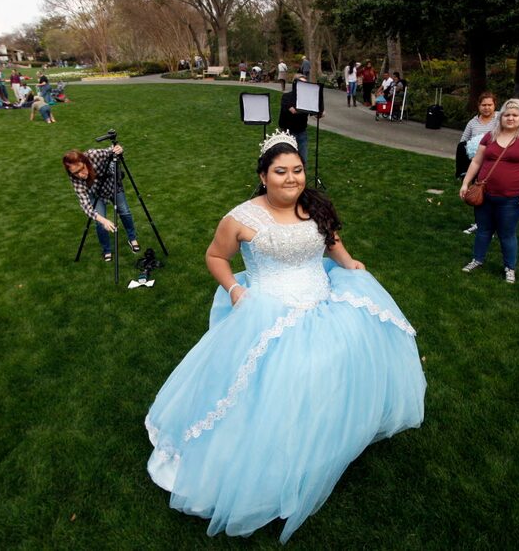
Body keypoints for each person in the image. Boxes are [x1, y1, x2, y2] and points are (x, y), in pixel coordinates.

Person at [145, 130, 426, 543]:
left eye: (297, 170)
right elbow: (214, 256)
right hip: (269, 313)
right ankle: (273, 460)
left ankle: (324, 443)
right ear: (263, 175)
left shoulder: (313, 207)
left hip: (324, 302)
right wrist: (236, 289)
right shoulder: (240, 217)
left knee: (331, 374)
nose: (291, 179)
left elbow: (330, 242)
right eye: (281, 171)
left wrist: (350, 265)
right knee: (274, 387)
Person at [459, 98, 519, 284]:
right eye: (507, 115)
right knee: (483, 230)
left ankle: (509, 267)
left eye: (515, 115)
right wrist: (466, 183)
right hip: (485, 195)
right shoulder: (490, 136)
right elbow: (477, 161)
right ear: (501, 116)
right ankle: (477, 259)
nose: (510, 118)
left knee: (507, 234)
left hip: (510, 199)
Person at [63, 145, 140, 261]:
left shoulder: (94, 155)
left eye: (81, 169)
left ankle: (132, 238)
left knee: (125, 212)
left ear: (85, 161)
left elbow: (112, 150)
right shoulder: (74, 178)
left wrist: (119, 150)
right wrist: (103, 220)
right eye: (75, 173)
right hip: (95, 193)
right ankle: (107, 250)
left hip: (113, 185)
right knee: (99, 222)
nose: (80, 175)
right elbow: (85, 204)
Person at [457, 92, 499, 234]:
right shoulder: (473, 123)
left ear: (495, 105)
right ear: (478, 106)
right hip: (476, 164)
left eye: (489, 105)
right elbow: (463, 142)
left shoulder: (500, 119)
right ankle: (479, 223)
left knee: (493, 196)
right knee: (478, 194)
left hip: (495, 165)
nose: (487, 108)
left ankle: (492, 225)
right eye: (483, 105)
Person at [278, 75, 322, 164]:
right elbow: (293, 110)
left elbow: (315, 114)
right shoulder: (287, 97)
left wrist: (319, 112)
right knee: (287, 160)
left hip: (302, 132)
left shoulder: (307, 99)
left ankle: (301, 177)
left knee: (302, 160)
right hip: (288, 132)